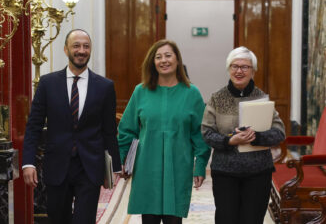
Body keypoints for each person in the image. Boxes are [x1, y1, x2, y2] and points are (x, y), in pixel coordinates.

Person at [22, 29, 121, 224]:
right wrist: (28, 162)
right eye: (76, 46)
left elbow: (109, 130)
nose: (81, 50)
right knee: (59, 219)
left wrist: (115, 166)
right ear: (66, 50)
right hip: (57, 165)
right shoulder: (47, 83)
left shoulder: (105, 86)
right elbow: (34, 126)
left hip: (90, 167)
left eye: (86, 46)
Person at [118, 39, 211, 224]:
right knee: (149, 218)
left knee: (173, 219)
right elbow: (127, 130)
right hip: (146, 167)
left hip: (178, 166)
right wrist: (123, 161)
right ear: (153, 62)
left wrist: (200, 165)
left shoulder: (192, 93)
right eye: (158, 57)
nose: (163, 60)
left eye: (168, 55)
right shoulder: (141, 91)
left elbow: (200, 134)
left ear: (177, 60)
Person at [201, 46, 285, 224]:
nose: (239, 71)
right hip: (225, 172)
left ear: (253, 71)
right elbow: (207, 133)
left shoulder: (262, 98)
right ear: (228, 69)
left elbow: (279, 132)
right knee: (226, 219)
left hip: (258, 172)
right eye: (234, 66)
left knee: (252, 220)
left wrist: (257, 137)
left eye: (245, 67)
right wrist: (229, 140)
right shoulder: (217, 98)